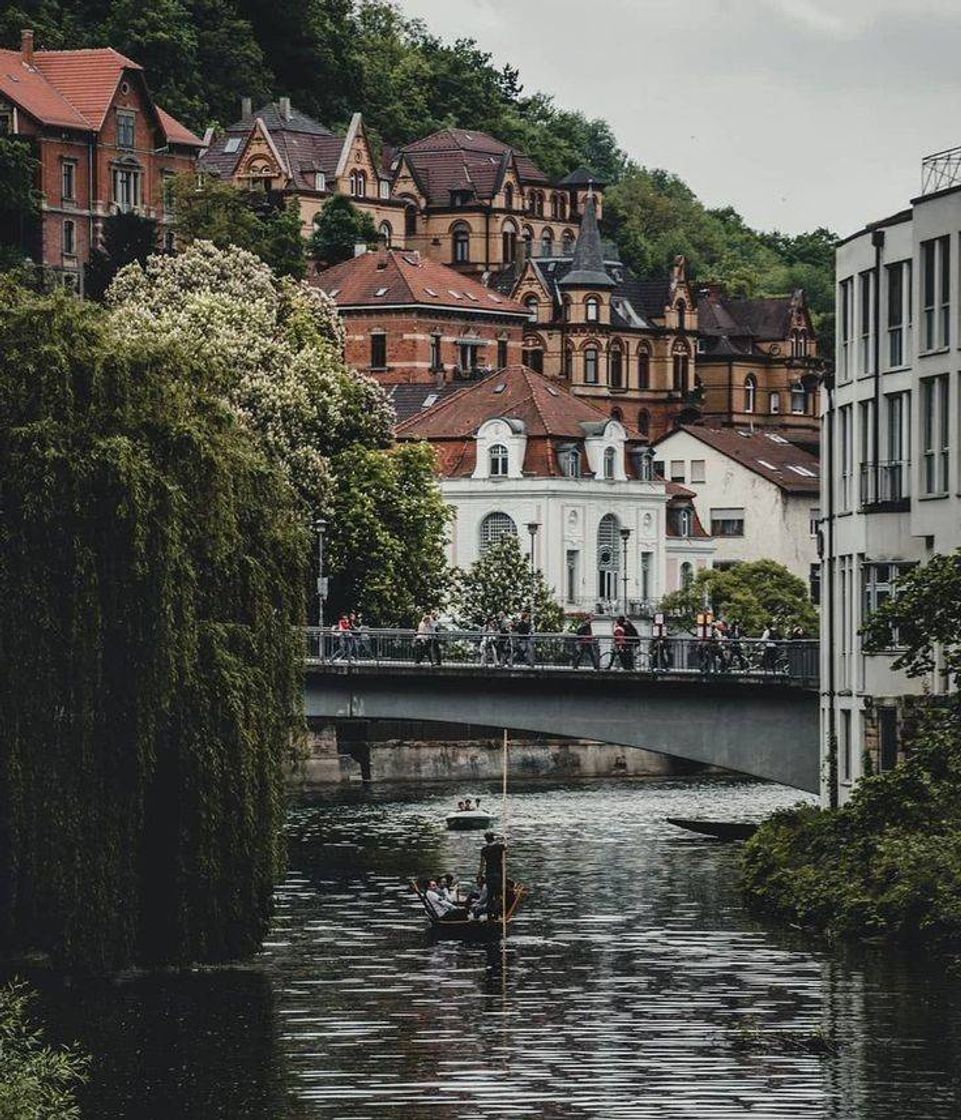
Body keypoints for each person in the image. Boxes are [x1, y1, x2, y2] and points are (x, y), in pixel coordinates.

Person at [478, 831, 506, 918]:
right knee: (497, 896)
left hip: (489, 874)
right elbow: (506, 844)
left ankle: (489, 917)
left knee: (490, 896)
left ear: (486, 840)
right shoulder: (499, 847)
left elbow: (481, 865)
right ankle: (496, 915)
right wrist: (500, 835)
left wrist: (479, 876)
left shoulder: (484, 850)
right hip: (498, 874)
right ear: (493, 838)